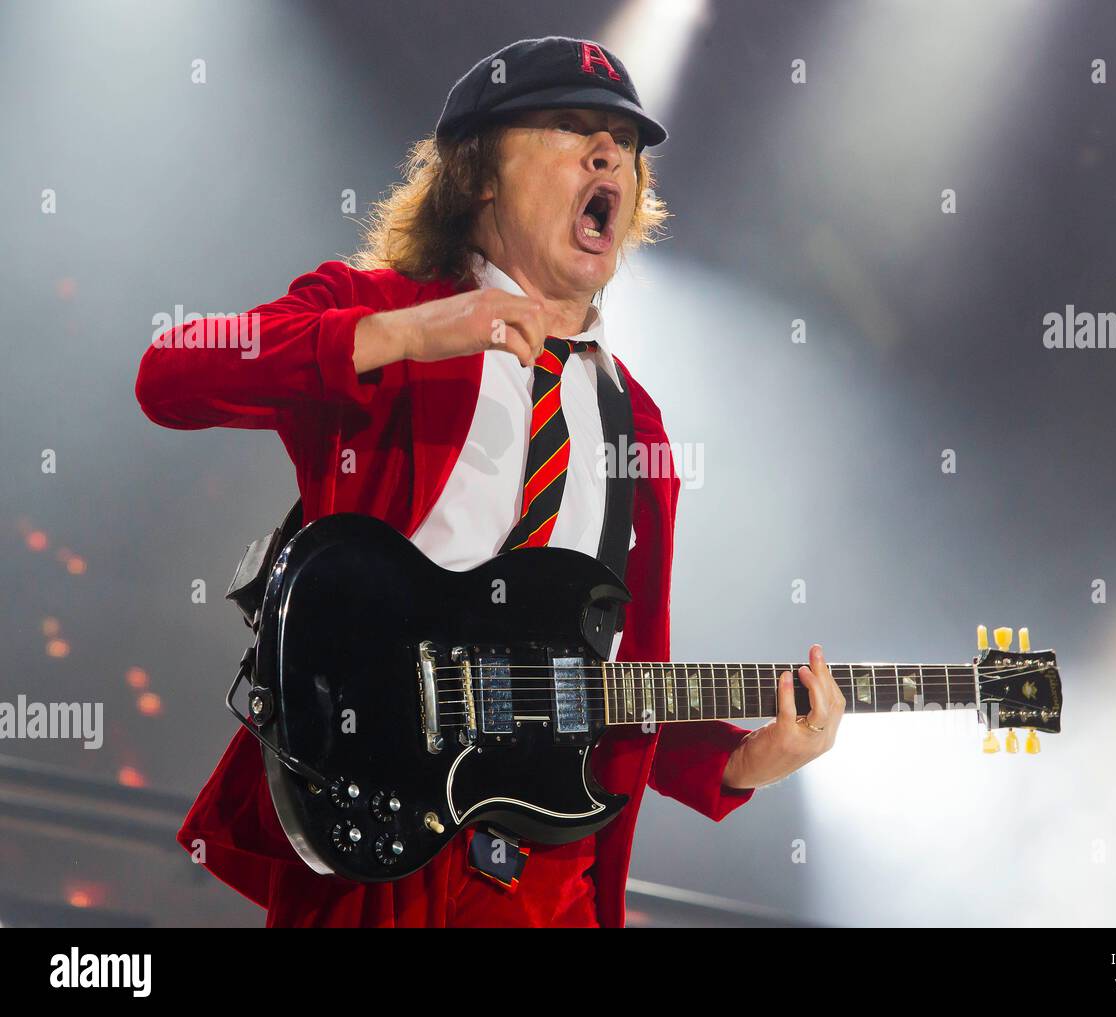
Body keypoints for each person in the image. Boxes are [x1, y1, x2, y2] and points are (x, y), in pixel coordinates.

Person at [136, 35, 844, 928]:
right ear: (477, 174)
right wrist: (406, 334)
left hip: (549, 877)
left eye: (624, 143)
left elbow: (617, 672)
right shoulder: (385, 311)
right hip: (377, 847)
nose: (607, 154)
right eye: (568, 126)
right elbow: (171, 374)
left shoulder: (641, 422)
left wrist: (741, 762)